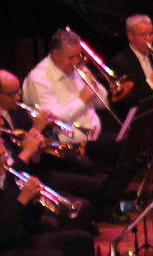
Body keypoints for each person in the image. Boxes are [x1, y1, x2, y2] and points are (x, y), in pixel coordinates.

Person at [0, 96, 107, 212]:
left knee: (93, 185)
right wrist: (27, 152)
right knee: (79, 207)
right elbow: (5, 178)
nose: (2, 123)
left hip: (30, 179)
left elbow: (21, 162)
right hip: (9, 199)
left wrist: (35, 152)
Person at [22, 28, 117, 160]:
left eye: (78, 56)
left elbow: (103, 104)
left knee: (128, 144)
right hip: (66, 144)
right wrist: (82, 100)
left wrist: (94, 85)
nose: (76, 61)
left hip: (93, 136)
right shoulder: (38, 78)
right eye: (71, 57)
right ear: (56, 55)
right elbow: (53, 119)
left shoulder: (77, 68)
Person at [110, 14, 153, 106]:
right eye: (144, 34)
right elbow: (127, 102)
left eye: (151, 34)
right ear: (130, 36)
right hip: (145, 110)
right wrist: (151, 80)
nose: (149, 39)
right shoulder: (120, 62)